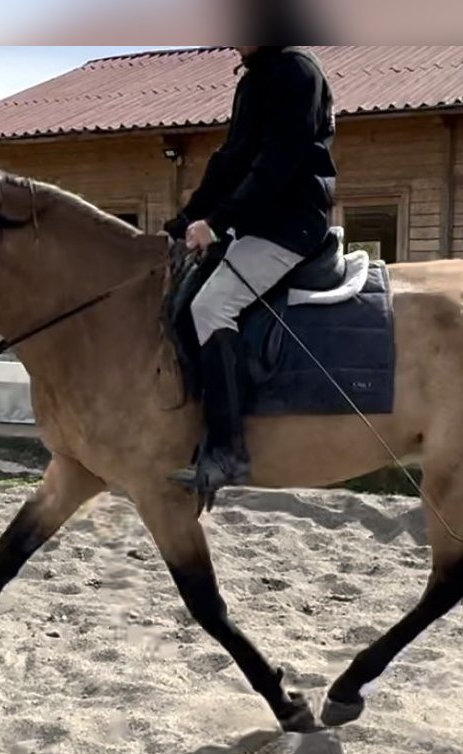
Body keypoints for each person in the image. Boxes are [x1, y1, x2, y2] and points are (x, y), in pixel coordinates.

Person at [164, 44, 337, 496]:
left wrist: (218, 223)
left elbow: (278, 162)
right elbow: (231, 161)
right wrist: (185, 222)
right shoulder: (255, 77)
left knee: (212, 306)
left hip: (289, 226)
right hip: (258, 224)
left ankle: (229, 452)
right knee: (182, 299)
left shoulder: (297, 72)